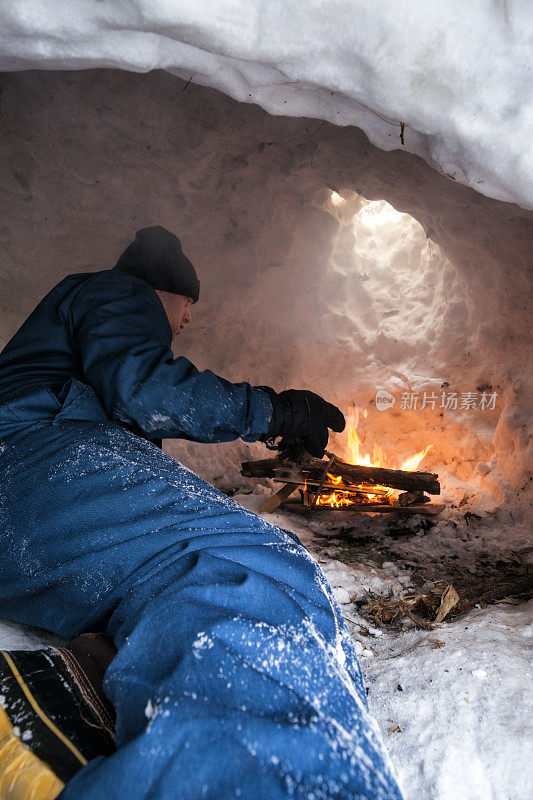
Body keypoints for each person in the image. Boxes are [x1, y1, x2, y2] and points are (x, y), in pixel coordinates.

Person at [0, 227, 403, 800]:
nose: (187, 321)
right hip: (32, 458)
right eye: (188, 305)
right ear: (164, 289)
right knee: (246, 569)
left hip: (24, 506)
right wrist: (274, 410)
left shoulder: (72, 335)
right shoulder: (120, 290)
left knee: (158, 594)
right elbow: (145, 390)